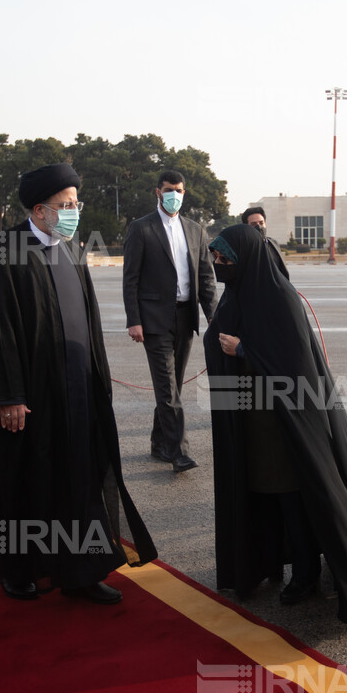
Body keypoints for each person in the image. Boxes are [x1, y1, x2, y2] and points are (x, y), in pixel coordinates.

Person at [0, 163, 157, 603]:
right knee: (27, 483)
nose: (73, 212)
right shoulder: (5, 251)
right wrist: (8, 395)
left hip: (76, 393)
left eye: (76, 204)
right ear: (38, 210)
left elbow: (86, 318)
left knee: (80, 480)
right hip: (31, 397)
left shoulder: (70, 248)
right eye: (65, 205)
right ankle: (20, 569)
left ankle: (81, 572)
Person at [203, 223, 347, 622]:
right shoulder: (239, 292)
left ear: (246, 259)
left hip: (284, 417)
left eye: (225, 258)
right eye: (216, 259)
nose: (219, 265)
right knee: (267, 490)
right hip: (251, 413)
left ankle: (307, 570)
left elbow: (294, 365)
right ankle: (272, 561)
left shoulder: (278, 297)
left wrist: (243, 348)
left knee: (291, 490)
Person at [122, 168, 216, 472]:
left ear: (184, 193)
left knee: (171, 386)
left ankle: (158, 442)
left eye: (178, 190)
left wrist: (215, 319)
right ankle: (178, 451)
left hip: (184, 317)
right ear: (157, 192)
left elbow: (206, 278)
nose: (173, 195)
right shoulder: (141, 228)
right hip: (153, 320)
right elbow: (130, 279)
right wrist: (133, 319)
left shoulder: (195, 229)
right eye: (168, 189)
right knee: (167, 388)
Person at [241, 205, 288, 279]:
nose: (259, 227)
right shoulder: (241, 248)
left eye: (261, 223)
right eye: (254, 224)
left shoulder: (273, 244)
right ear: (245, 227)